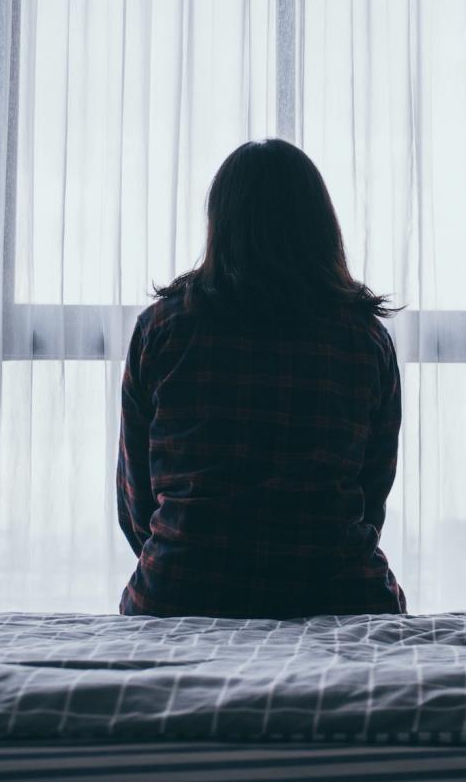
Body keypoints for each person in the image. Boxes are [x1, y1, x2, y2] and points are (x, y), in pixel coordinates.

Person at [117, 138, 407, 619]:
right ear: (321, 226)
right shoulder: (364, 339)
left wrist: (191, 554)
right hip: (340, 594)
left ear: (219, 224)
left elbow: (136, 500)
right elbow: (372, 492)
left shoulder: (161, 329)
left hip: (179, 590)